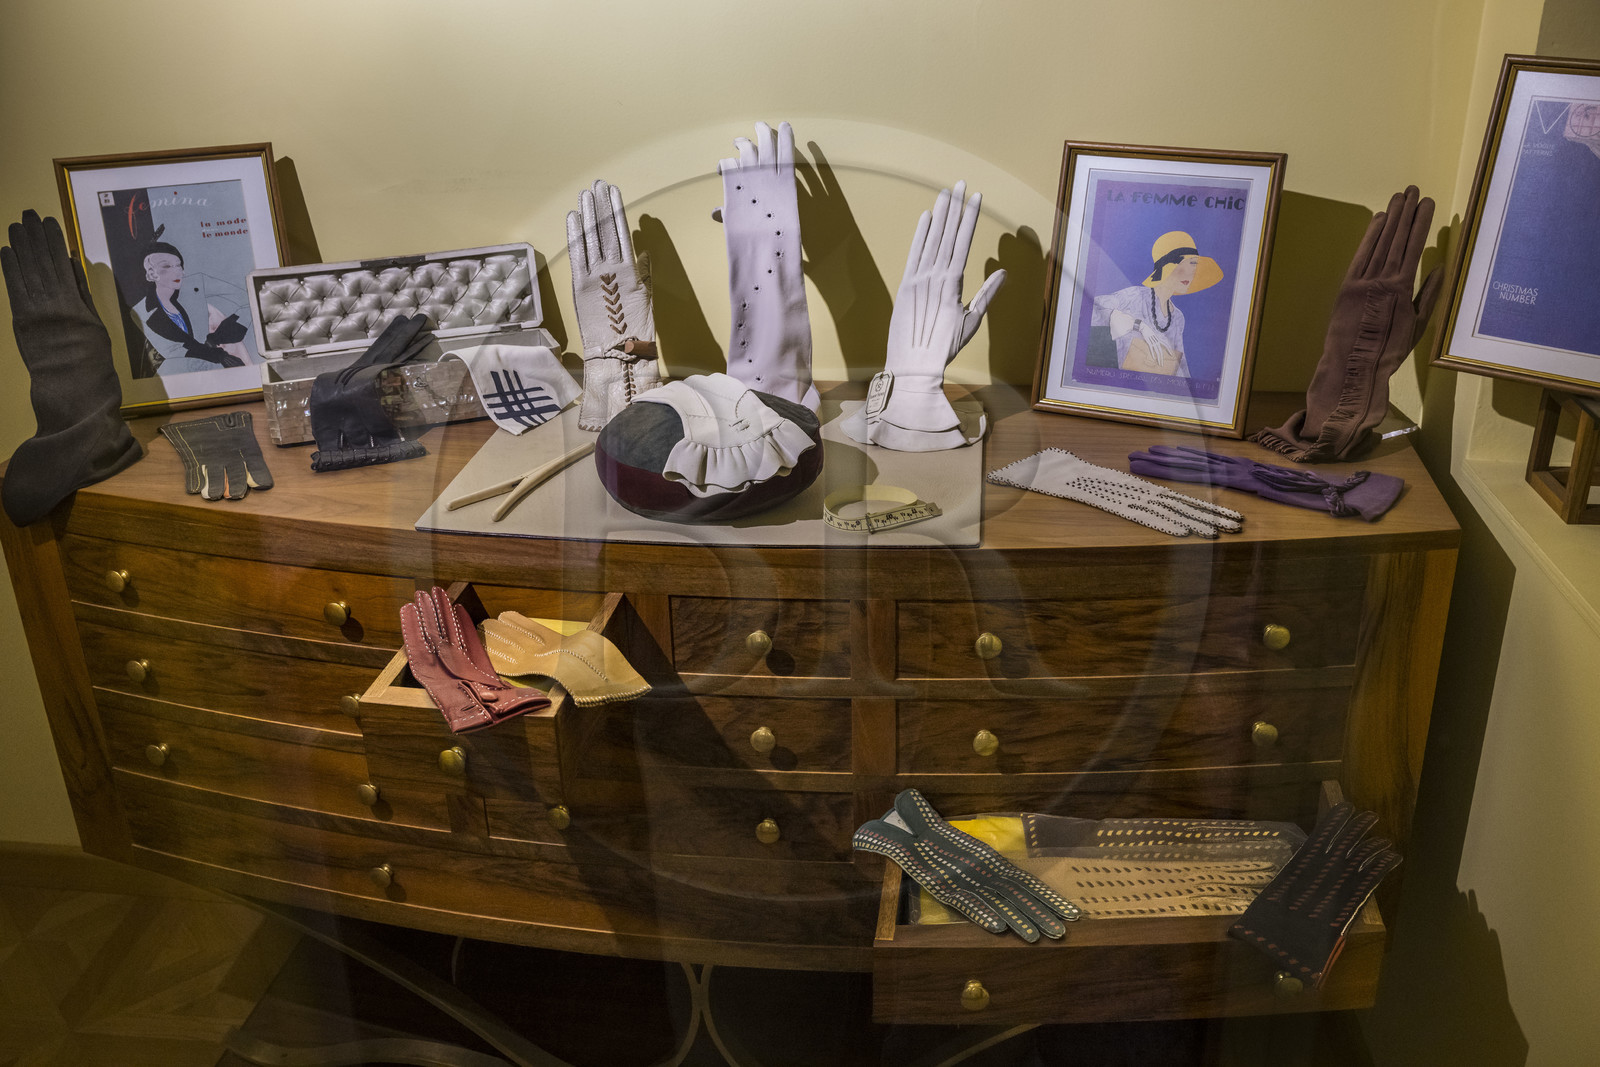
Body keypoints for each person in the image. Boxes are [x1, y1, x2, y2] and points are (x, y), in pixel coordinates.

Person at [1090, 231, 1222, 376]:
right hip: (1122, 383)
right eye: (1190, 263)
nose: (1191, 273)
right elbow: (1088, 309)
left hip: (1157, 388)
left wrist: (1187, 393)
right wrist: (1138, 325)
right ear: (1167, 265)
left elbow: (1180, 364)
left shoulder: (1177, 317)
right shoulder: (1134, 296)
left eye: (1195, 265)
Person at [133, 242, 252, 375]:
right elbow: (174, 351)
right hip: (185, 372)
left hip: (222, 364)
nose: (177, 271)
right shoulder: (140, 312)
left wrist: (220, 336)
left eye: (178, 265)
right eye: (166, 266)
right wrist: (218, 355)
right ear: (151, 274)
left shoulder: (196, 284)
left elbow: (248, 299)